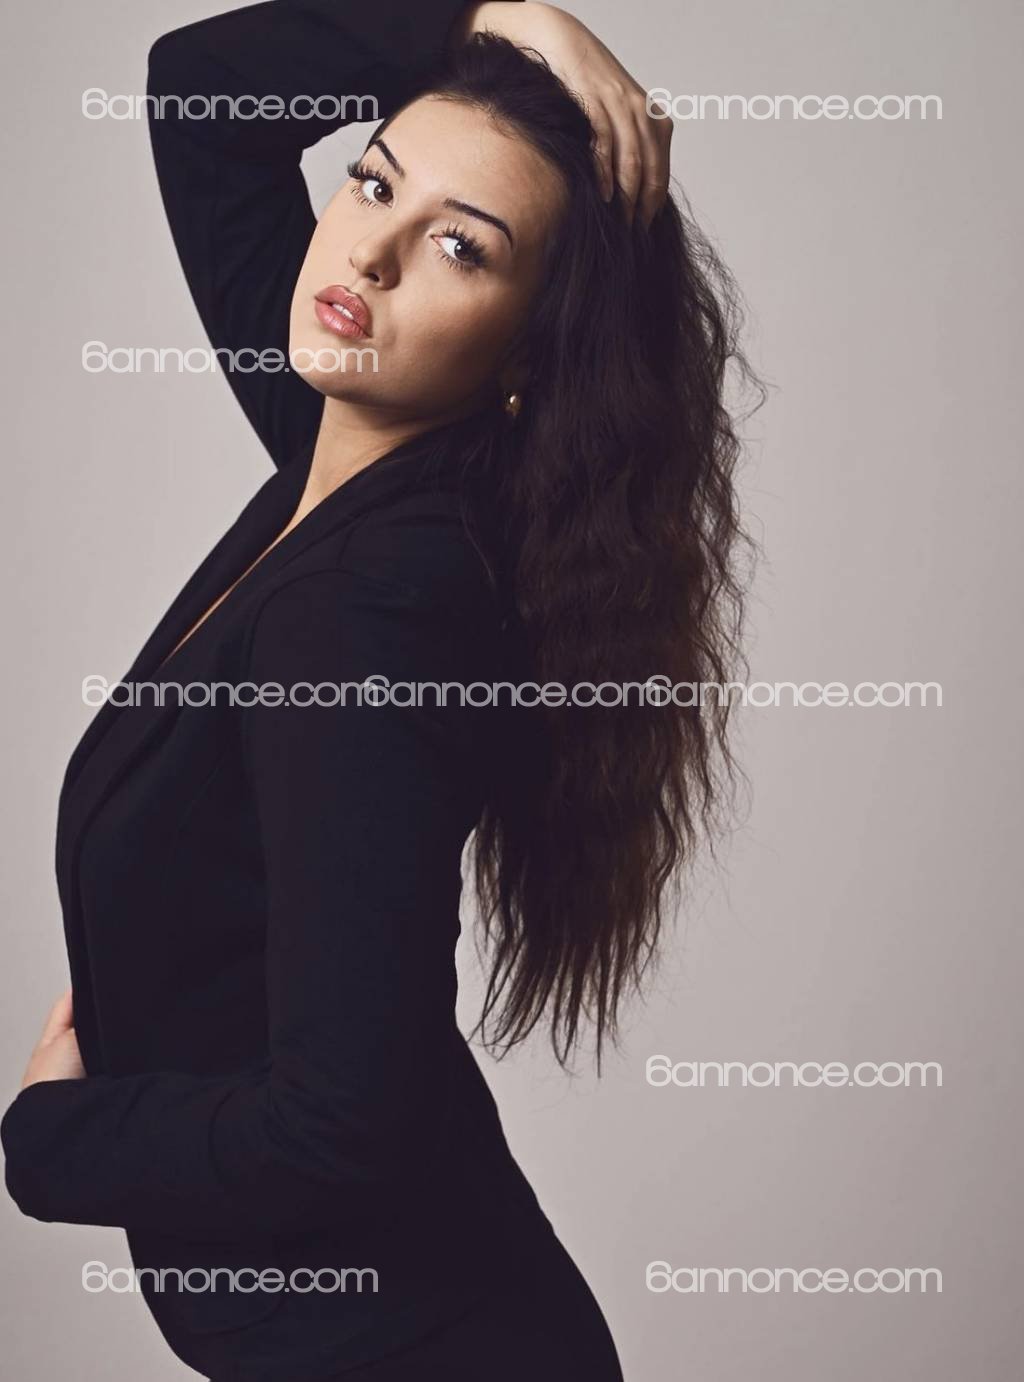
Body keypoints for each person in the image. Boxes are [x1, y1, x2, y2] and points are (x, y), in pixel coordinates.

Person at [1, 3, 751, 1378]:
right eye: (372, 180)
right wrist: (487, 20)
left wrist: (55, 1141)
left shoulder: (363, 609)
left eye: (462, 247)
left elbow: (342, 1125)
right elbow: (202, 92)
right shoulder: (341, 452)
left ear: (529, 350)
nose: (369, 253)